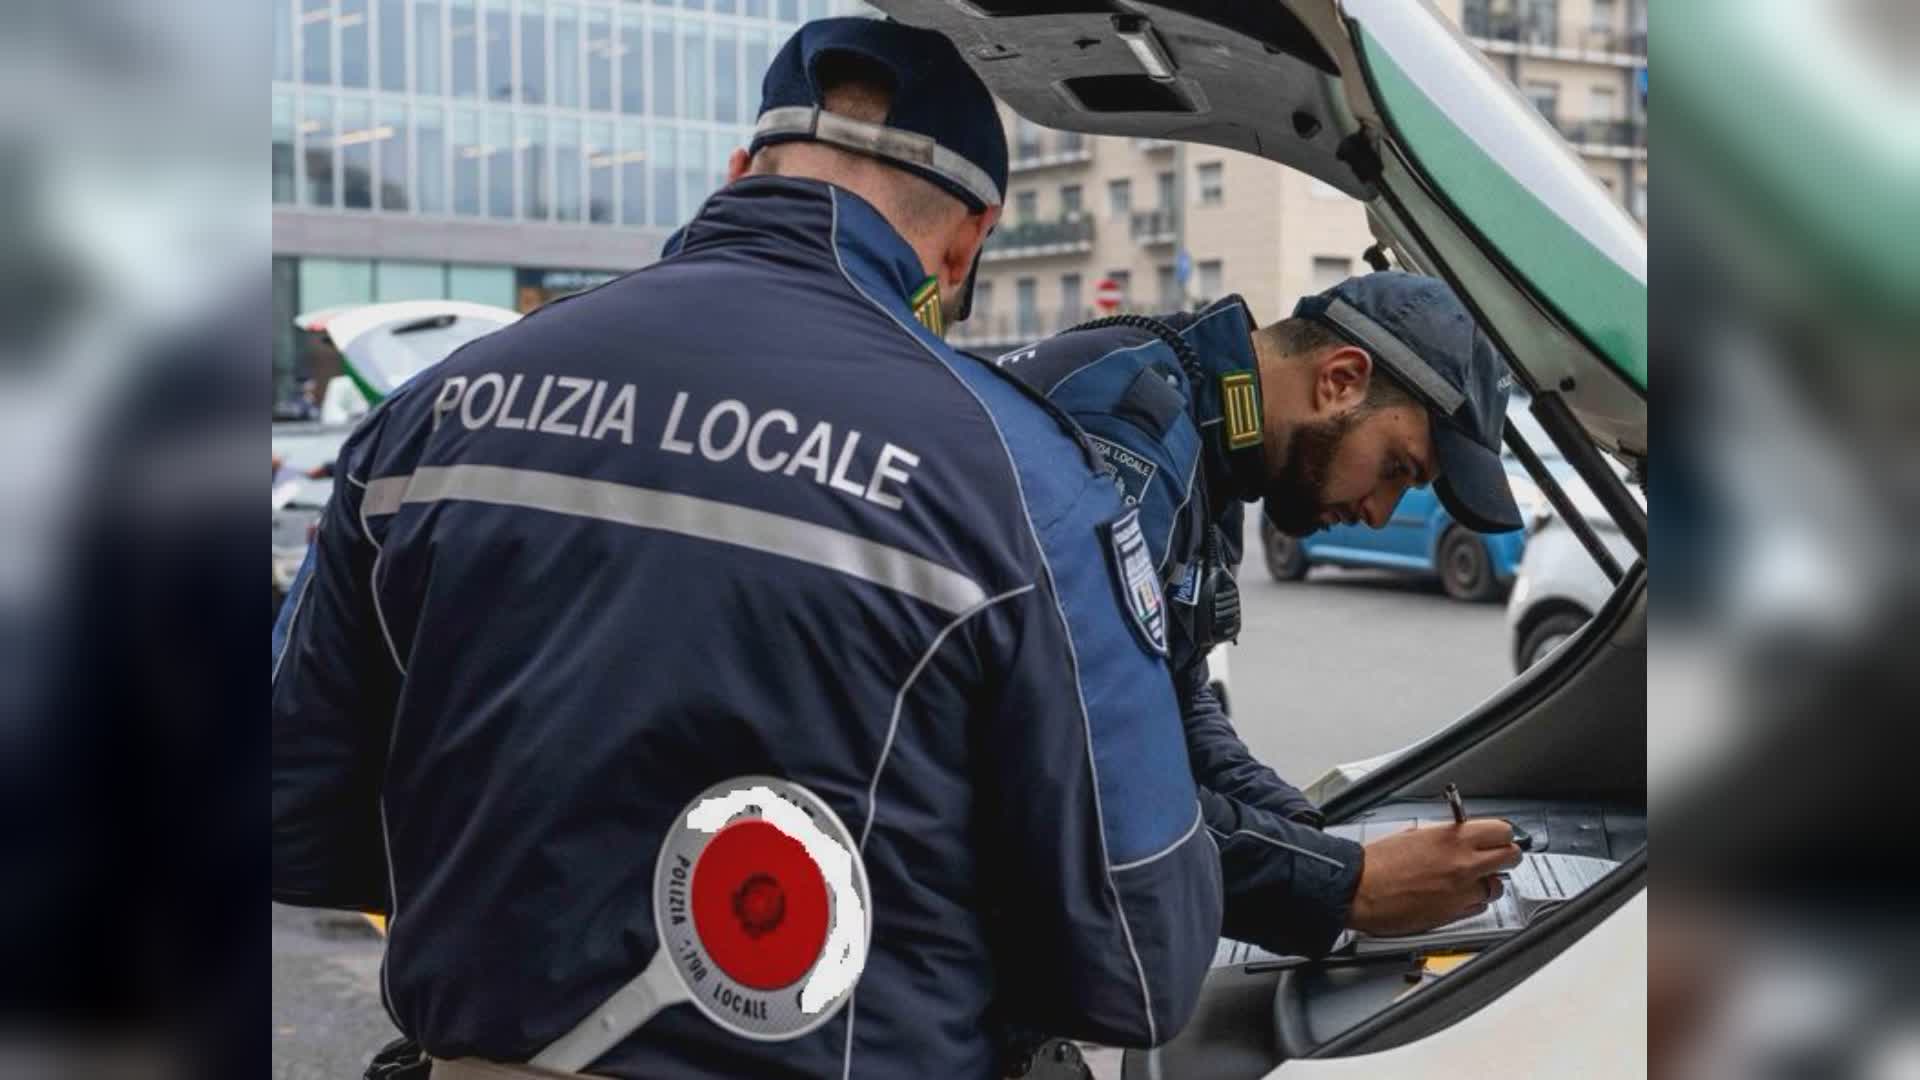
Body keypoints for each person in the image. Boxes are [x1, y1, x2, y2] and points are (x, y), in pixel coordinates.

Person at [272, 18, 1221, 1080]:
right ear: (969, 240)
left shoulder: (435, 411)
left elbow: (296, 813)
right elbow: (1141, 960)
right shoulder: (1022, 478)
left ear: (739, 172)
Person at [997, 273, 1526, 958]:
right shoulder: (1125, 437)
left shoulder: (1209, 433)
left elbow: (1171, 695)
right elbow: (1079, 785)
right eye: (1397, 467)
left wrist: (1301, 829)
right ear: (1340, 379)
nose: (1379, 513)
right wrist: (1350, 885)